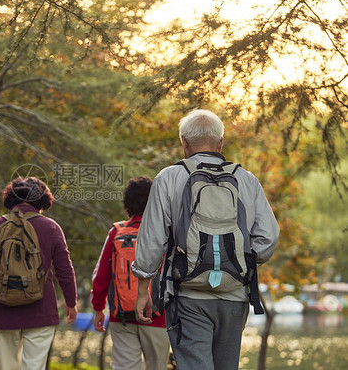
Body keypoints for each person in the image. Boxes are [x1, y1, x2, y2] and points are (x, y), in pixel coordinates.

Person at [132, 109, 280, 370]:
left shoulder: (168, 178)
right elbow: (268, 237)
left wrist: (143, 290)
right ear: (220, 142)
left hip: (188, 294)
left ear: (184, 142)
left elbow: (151, 239)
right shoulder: (247, 180)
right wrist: (239, 265)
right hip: (234, 296)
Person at [0, 177, 78, 370]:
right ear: (42, 201)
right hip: (41, 309)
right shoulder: (51, 228)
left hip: (3, 309)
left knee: (7, 366)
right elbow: (64, 270)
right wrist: (71, 302)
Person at [91, 177, 170, 370]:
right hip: (158, 317)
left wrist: (98, 308)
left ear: (127, 205)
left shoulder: (117, 232)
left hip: (122, 316)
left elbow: (101, 276)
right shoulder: (166, 233)